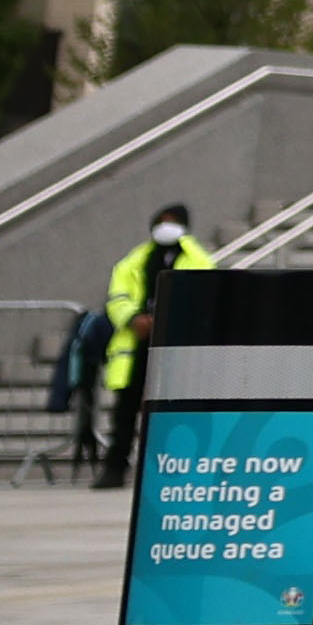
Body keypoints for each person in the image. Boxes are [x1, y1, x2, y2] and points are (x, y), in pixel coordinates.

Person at [91, 200, 210, 470]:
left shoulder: (198, 259)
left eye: (173, 222)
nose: (166, 227)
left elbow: (202, 299)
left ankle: (170, 466)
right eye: (162, 221)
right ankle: (115, 466)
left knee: (173, 412)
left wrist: (168, 321)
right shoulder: (134, 261)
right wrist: (134, 318)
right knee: (125, 411)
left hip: (173, 345)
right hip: (137, 344)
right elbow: (117, 297)